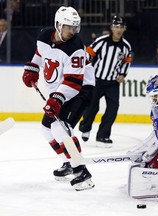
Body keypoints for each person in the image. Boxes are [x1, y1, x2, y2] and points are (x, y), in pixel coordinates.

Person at [22, 6, 94, 191]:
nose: (72, 31)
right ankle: (68, 162)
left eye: (75, 28)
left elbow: (74, 82)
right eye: (68, 27)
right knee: (45, 130)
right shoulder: (45, 36)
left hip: (81, 89)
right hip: (63, 90)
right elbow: (40, 54)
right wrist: (32, 68)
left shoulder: (76, 47)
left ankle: (82, 172)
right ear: (58, 25)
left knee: (60, 128)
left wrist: (56, 98)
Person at [79, 16, 132, 147]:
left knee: (113, 109)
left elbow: (127, 61)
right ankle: (85, 128)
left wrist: (122, 74)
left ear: (124, 29)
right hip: (96, 80)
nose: (118, 30)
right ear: (111, 28)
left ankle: (103, 136)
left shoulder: (126, 46)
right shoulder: (101, 41)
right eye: (116, 27)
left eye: (121, 27)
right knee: (92, 107)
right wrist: (87, 70)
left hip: (113, 83)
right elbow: (89, 53)